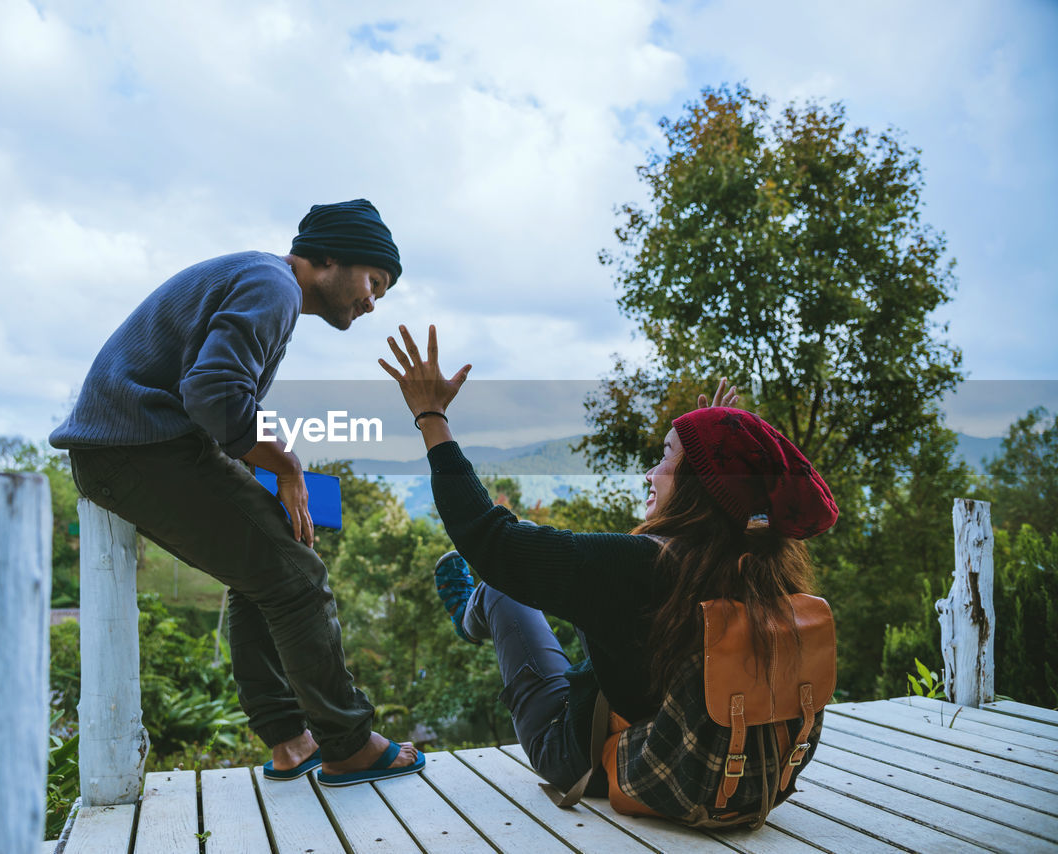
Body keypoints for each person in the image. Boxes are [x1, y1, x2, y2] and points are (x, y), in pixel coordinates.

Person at [379, 324, 837, 817]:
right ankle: (476, 607)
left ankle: (469, 611)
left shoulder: (638, 567)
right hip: (736, 767)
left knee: (499, 587)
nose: (651, 472)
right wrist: (730, 445)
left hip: (597, 757)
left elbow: (493, 541)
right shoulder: (766, 563)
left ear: (699, 486)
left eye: (666, 457)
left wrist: (431, 418)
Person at [50, 199, 423, 787]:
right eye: (374, 281)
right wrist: (287, 465)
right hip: (137, 449)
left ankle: (292, 743)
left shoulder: (264, 282)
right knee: (300, 580)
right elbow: (215, 394)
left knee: (272, 569)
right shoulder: (273, 286)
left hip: (145, 445)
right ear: (328, 258)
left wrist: (263, 470)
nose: (373, 301)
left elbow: (221, 400)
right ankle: (347, 743)